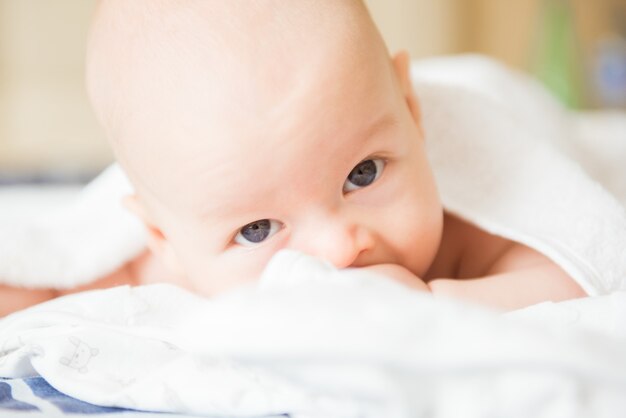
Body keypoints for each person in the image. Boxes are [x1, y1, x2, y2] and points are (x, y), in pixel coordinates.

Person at [0, 0, 586, 317]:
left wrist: (435, 302)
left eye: (363, 173)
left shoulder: (470, 222)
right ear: (162, 238)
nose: (338, 250)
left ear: (410, 112)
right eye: (257, 230)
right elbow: (60, 275)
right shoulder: (175, 253)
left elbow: (576, 271)